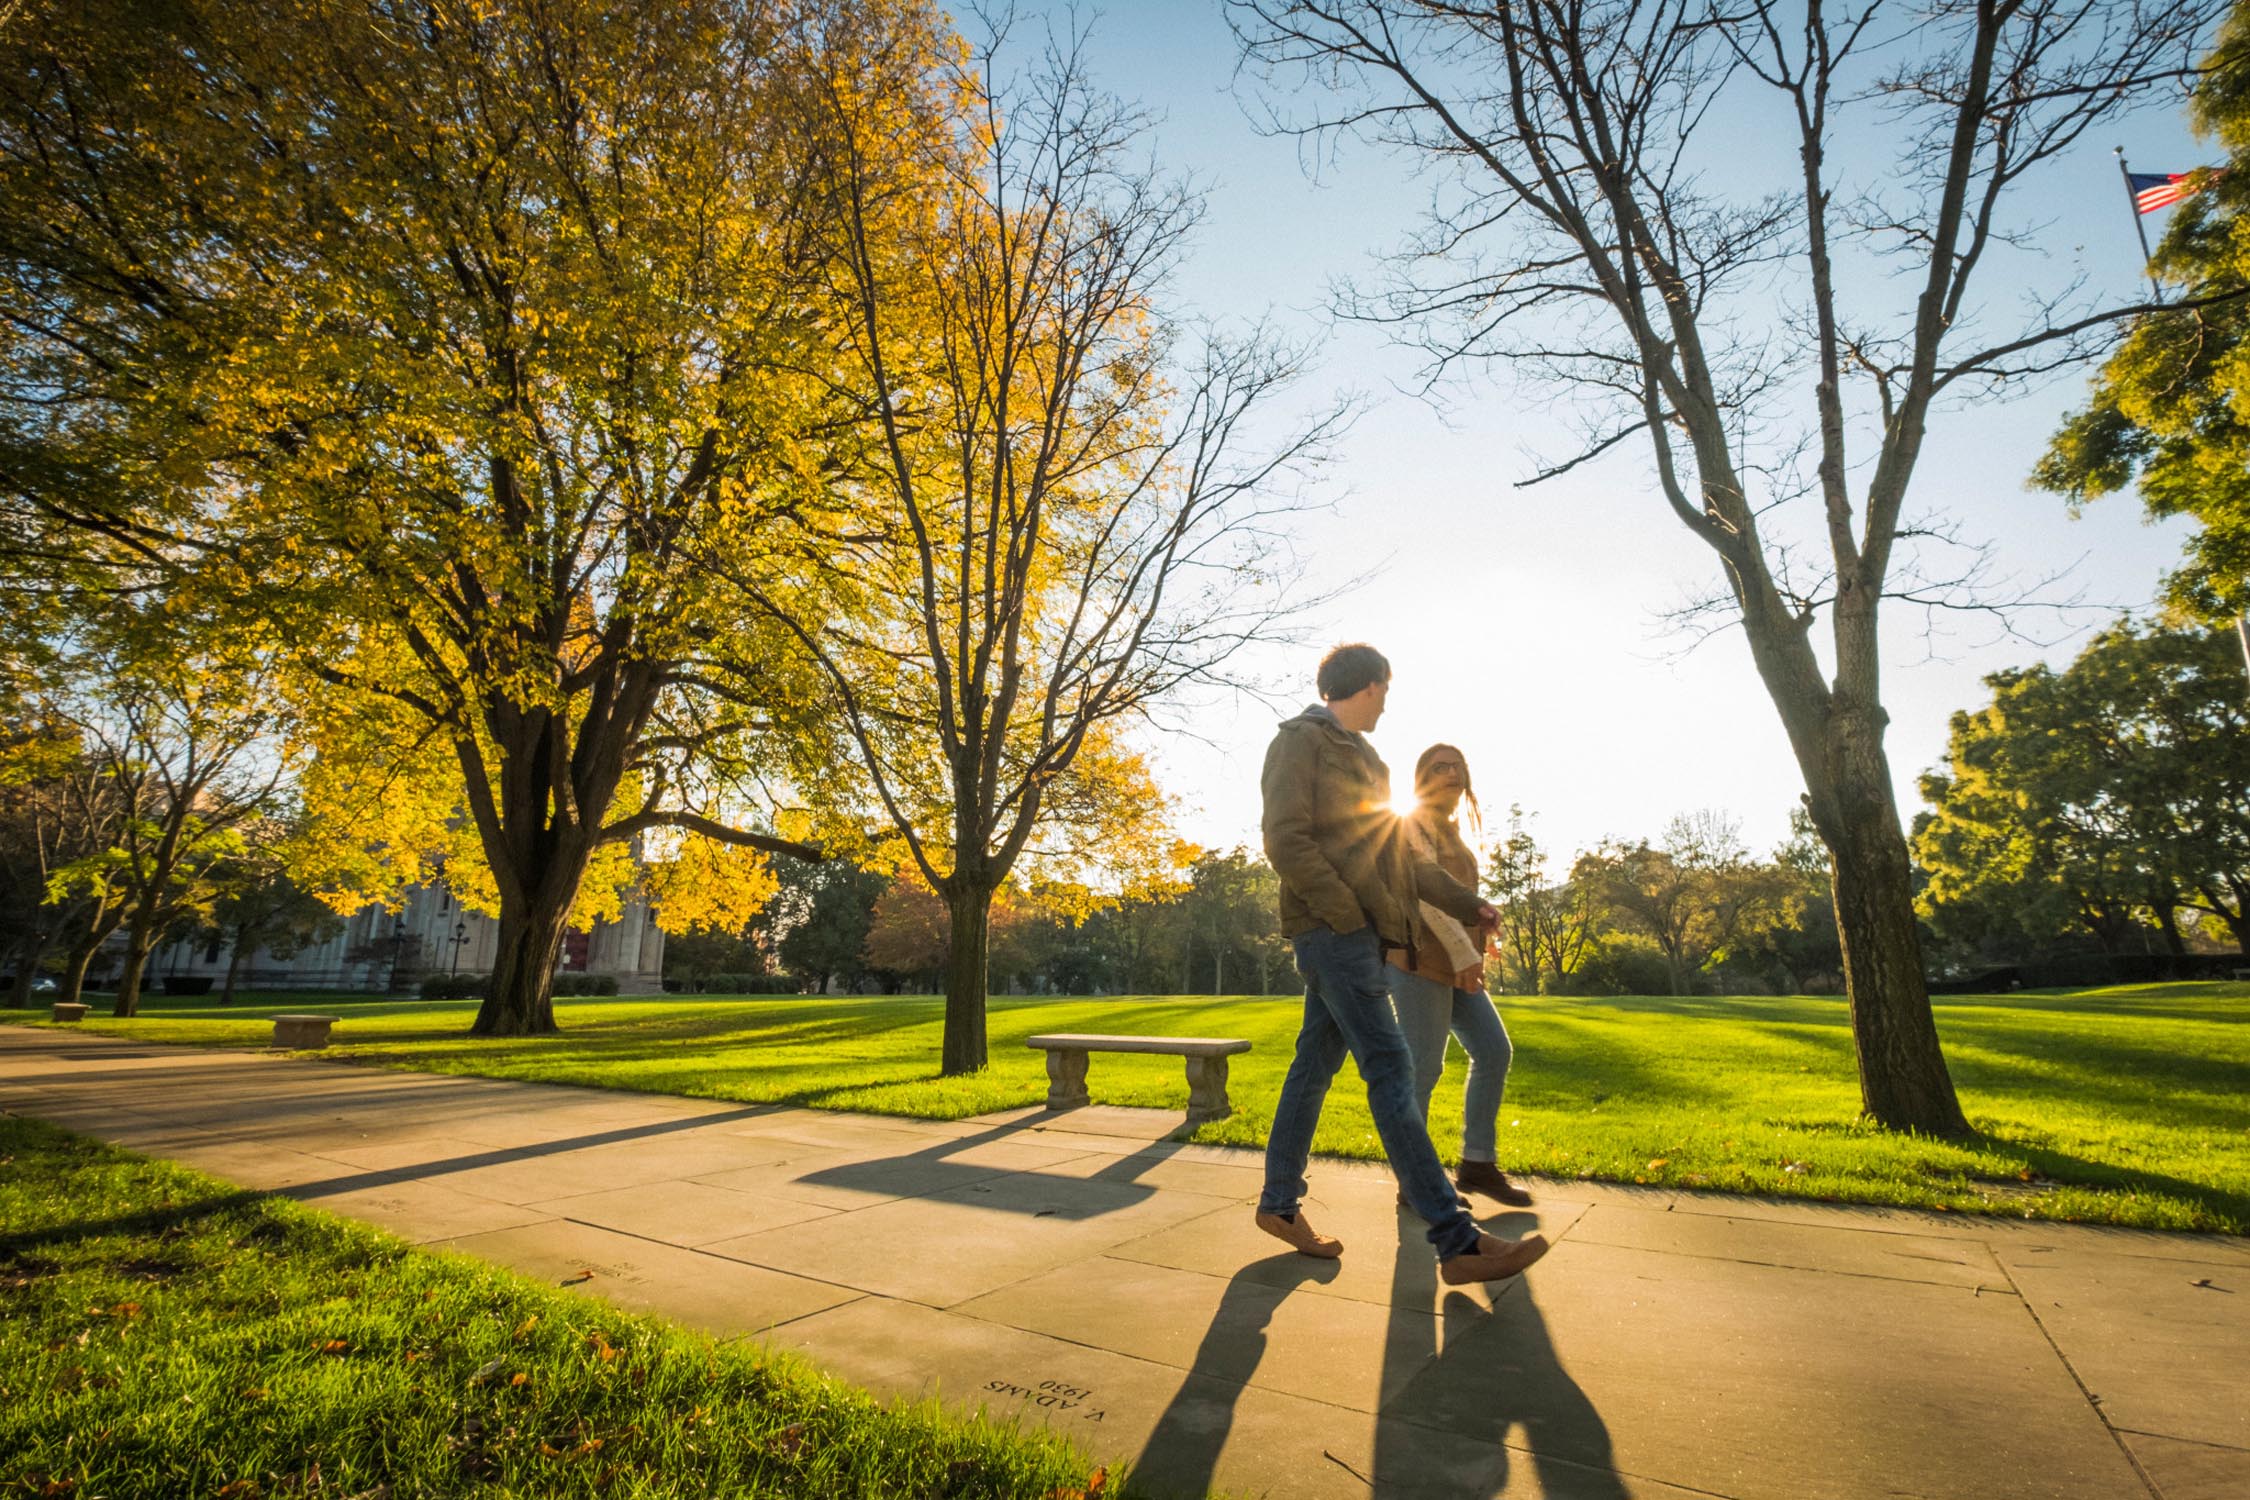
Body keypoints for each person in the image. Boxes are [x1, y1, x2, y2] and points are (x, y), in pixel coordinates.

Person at [1253, 643, 1549, 1285]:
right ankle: (1455, 1238)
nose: (1388, 700)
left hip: (1360, 935)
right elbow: (1285, 838)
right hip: (1334, 934)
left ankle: (1279, 1204)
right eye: (1385, 689)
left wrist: (1472, 903)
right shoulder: (1299, 742)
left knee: (1314, 1064)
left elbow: (1402, 862)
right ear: (1365, 685)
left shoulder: (1367, 759)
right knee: (1391, 1068)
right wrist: (1345, 914)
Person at [1391, 744, 1534, 1208]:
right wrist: (1462, 951)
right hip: (1418, 962)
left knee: (1493, 1050)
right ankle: (1416, 1184)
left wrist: (1479, 944)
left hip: (1457, 964)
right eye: (1439, 767)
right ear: (1421, 779)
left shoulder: (1454, 834)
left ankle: (1476, 1164)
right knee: (1423, 1069)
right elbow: (1426, 894)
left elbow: (1459, 898)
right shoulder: (1410, 824)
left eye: (1457, 767)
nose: (1451, 773)